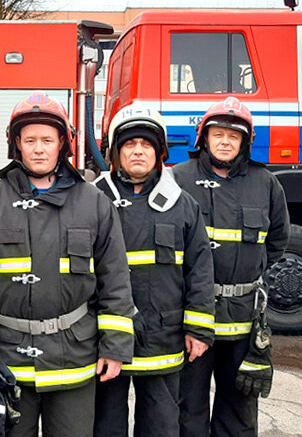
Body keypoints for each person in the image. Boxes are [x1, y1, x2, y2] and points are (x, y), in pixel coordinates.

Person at [0, 91, 134, 437]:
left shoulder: (94, 203)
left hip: (76, 359)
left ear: (62, 143)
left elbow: (115, 280)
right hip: (7, 361)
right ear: (16, 144)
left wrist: (114, 345)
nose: (39, 148)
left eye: (47, 140)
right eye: (30, 139)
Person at [92, 107, 214, 437]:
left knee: (161, 425)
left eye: (146, 145)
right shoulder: (93, 199)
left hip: (164, 336)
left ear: (159, 152)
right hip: (105, 338)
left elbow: (200, 269)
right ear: (115, 152)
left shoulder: (182, 203)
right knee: (105, 425)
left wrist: (199, 329)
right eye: (129, 144)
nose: (138, 152)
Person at [175, 97, 290, 437]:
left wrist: (245, 274)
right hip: (191, 318)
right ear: (204, 138)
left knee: (239, 408)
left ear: (245, 142)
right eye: (218, 134)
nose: (225, 141)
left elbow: (278, 240)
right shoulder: (178, 179)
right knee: (187, 408)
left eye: (233, 136)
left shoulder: (265, 182)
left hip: (242, 319)